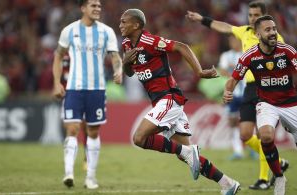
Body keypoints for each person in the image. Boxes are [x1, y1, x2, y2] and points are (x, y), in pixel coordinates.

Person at [119, 8, 240, 195]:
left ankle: (188, 153)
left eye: (124, 22)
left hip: (169, 98)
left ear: (136, 25)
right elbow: (129, 72)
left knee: (139, 138)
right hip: (160, 102)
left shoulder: (150, 41)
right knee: (186, 155)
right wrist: (126, 62)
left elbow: (182, 46)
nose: (120, 25)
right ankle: (227, 183)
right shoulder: (127, 44)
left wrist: (199, 72)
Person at [186, 1, 289, 189]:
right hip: (250, 88)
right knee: (245, 134)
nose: (252, 19)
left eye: (256, 15)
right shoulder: (245, 32)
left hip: (267, 87)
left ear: (265, 17)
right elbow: (224, 27)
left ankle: (264, 179)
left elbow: (283, 62)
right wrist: (202, 20)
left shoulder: (275, 37)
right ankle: (279, 161)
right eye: (250, 15)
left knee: (263, 134)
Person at [223, 15, 297, 195]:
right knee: (266, 137)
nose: (273, 33)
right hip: (267, 104)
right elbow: (233, 79)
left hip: (291, 104)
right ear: (257, 34)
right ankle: (278, 176)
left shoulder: (287, 51)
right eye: (268, 30)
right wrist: (227, 91)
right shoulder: (250, 56)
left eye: (274, 29)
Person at [52, 0, 122, 189]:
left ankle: (90, 177)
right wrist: (57, 83)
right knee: (73, 129)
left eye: (99, 6)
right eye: (93, 6)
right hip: (74, 88)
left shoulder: (106, 32)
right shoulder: (70, 30)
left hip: (97, 89)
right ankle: (68, 173)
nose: (97, 9)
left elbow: (115, 56)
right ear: (83, 8)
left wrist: (118, 70)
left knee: (93, 131)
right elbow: (58, 55)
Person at [217, 35, 246, 160]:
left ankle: (253, 149)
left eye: (234, 40)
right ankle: (238, 151)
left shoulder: (246, 54)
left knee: (249, 121)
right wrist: (238, 75)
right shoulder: (225, 55)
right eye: (230, 41)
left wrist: (233, 72)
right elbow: (222, 71)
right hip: (231, 94)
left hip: (246, 93)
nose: (232, 43)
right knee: (233, 122)